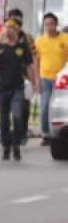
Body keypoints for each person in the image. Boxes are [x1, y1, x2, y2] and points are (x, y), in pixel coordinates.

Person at [0, 17, 40, 161]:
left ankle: (16, 144)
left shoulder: (22, 48)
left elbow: (29, 66)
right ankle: (6, 146)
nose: (7, 30)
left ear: (17, 30)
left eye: (11, 27)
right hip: (2, 88)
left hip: (18, 88)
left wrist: (34, 82)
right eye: (5, 27)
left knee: (17, 116)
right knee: (4, 120)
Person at [32, 13, 68, 146]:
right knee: (45, 107)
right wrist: (37, 79)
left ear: (56, 24)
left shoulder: (65, 39)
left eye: (51, 24)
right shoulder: (40, 41)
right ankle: (46, 134)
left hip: (61, 80)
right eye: (46, 24)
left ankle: (57, 133)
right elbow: (36, 61)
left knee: (59, 108)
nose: (49, 27)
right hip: (45, 78)